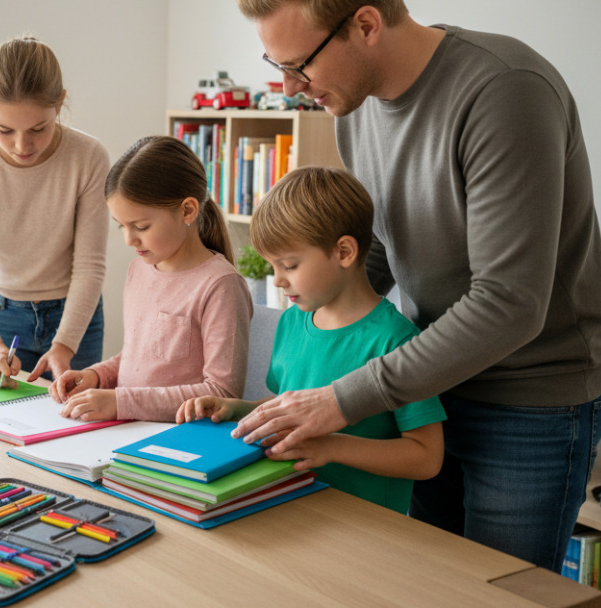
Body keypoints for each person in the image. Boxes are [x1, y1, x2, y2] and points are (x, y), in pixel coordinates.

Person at [232, 0, 601, 570]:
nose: (289, 86)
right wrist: (317, 316)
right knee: (430, 589)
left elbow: (508, 303)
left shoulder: (504, 92)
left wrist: (341, 398)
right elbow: (379, 252)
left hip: (531, 398)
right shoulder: (355, 108)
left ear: (365, 24)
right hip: (429, 385)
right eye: (278, 65)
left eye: (299, 64)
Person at [176, 166, 445, 513]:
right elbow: (286, 407)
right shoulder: (292, 321)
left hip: (367, 530)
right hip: (294, 511)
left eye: (289, 265)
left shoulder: (397, 343)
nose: (276, 280)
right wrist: (237, 410)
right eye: (272, 266)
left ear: (345, 252)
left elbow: (426, 457)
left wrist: (331, 447)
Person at [0, 36, 110, 388]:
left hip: (75, 314)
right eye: (4, 130)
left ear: (60, 103)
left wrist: (64, 344)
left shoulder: (89, 157)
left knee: (75, 425)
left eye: (39, 128)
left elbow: (90, 265)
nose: (23, 145)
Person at [50, 136, 252, 422]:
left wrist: (121, 402)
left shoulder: (221, 286)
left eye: (141, 226)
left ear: (187, 211)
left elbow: (221, 392)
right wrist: (97, 376)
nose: (129, 239)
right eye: (122, 226)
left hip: (178, 440)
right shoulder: (139, 269)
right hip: (131, 428)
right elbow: (140, 358)